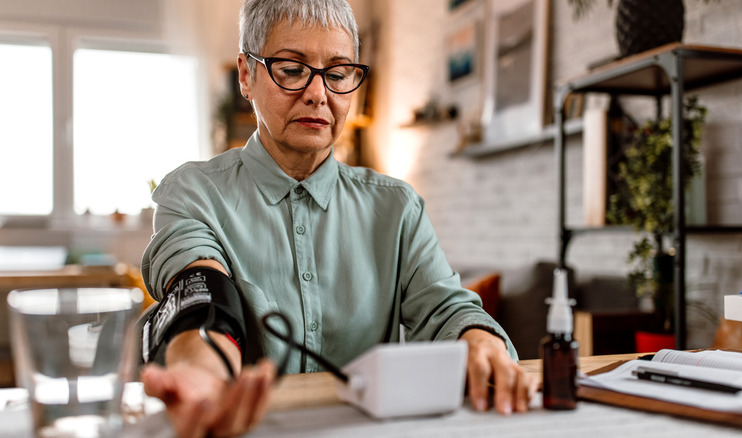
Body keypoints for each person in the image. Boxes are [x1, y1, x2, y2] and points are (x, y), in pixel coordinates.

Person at [140, 0, 538, 436]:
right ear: (246, 75)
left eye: (337, 73)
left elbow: (445, 309)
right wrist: (204, 372)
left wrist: (480, 342)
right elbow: (202, 297)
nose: (318, 93)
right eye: (291, 69)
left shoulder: (397, 208)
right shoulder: (192, 192)